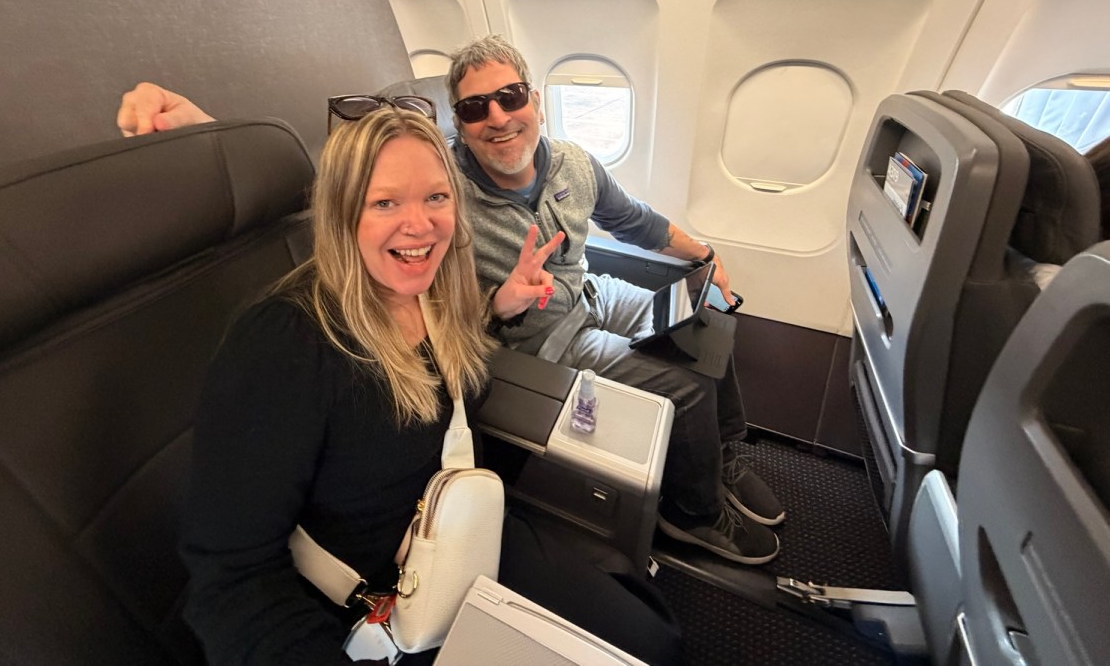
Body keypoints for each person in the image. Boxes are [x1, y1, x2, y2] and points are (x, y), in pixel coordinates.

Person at [119, 38, 785, 566]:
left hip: (589, 294)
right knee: (683, 394)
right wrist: (210, 130)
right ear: (459, 128)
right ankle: (696, 515)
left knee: (709, 321)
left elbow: (637, 220)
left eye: (509, 96)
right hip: (539, 336)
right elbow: (344, 182)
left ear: (535, 101)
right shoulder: (442, 184)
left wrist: (702, 255)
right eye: (473, 109)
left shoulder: (577, 163)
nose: (496, 117)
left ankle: (724, 457)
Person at [179, 102, 681, 665]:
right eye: (385, 202)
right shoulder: (283, 341)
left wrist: (504, 306)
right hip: (375, 599)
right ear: (343, 214)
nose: (419, 225)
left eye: (436, 197)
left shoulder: (439, 292)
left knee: (651, 639)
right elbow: (230, 577)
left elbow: (442, 386)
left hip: (462, 530)